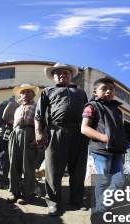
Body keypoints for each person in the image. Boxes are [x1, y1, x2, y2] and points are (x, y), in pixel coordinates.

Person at [35, 63, 89, 216]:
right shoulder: (47, 91)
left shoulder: (80, 93)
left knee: (78, 170)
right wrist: (39, 132)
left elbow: (88, 114)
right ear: (53, 76)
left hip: (79, 134)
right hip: (56, 132)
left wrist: (88, 134)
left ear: (71, 76)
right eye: (58, 73)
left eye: (65, 72)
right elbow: (39, 114)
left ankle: (77, 200)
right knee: (53, 170)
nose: (62, 75)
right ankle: (53, 202)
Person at [81, 78, 127, 214]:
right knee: (103, 181)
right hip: (101, 150)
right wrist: (104, 138)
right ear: (95, 92)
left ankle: (99, 208)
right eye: (104, 88)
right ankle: (100, 211)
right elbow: (84, 128)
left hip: (117, 151)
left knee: (119, 181)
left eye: (111, 89)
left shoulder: (117, 110)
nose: (108, 91)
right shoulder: (92, 106)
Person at [6, 84, 40, 205]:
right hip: (15, 134)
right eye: (23, 92)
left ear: (33, 94)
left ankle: (28, 194)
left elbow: (41, 124)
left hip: (29, 133)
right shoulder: (17, 108)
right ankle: (14, 192)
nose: (25, 94)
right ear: (20, 95)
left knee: (28, 166)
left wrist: (37, 138)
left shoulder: (37, 106)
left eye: (28, 92)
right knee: (13, 165)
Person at [0, 98, 18, 189]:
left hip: (0, 139)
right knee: (6, 162)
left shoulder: (9, 105)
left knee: (4, 162)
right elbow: (9, 120)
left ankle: (3, 180)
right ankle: (0, 182)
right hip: (4, 139)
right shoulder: (13, 105)